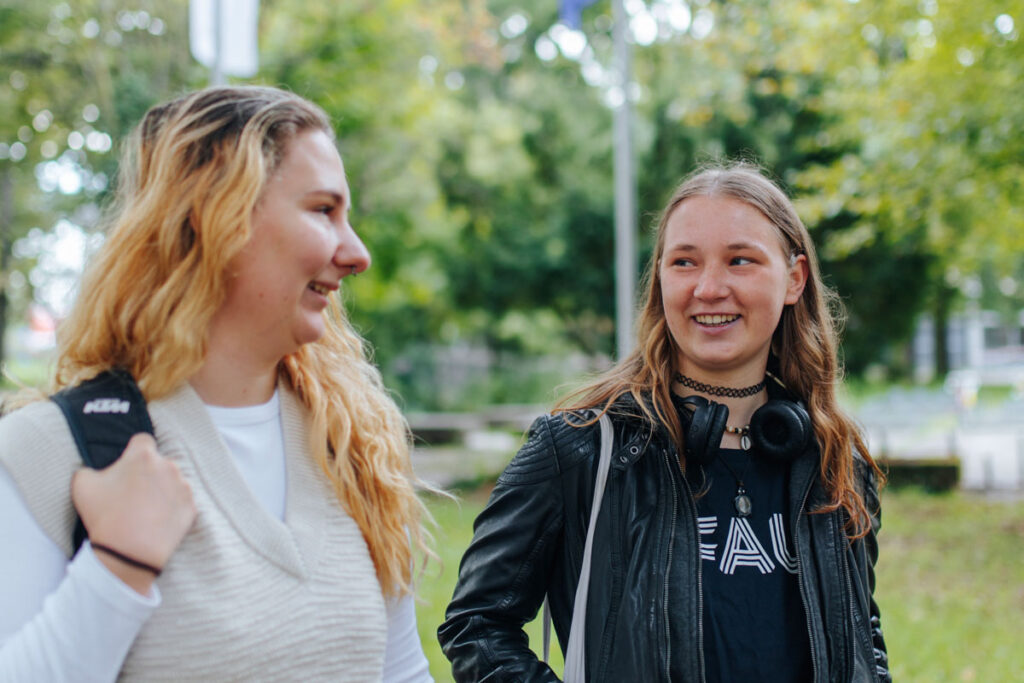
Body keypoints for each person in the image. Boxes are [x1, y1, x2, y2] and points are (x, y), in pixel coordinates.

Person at [0, 86, 432, 681]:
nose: (356, 253)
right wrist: (117, 564)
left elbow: (402, 672)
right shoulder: (49, 454)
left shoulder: (354, 446)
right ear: (218, 219)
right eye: (322, 210)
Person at [438, 163, 891, 682]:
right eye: (684, 262)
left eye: (740, 260)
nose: (709, 287)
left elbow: (862, 635)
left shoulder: (834, 459)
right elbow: (476, 625)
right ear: (660, 279)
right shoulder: (581, 450)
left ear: (794, 279)